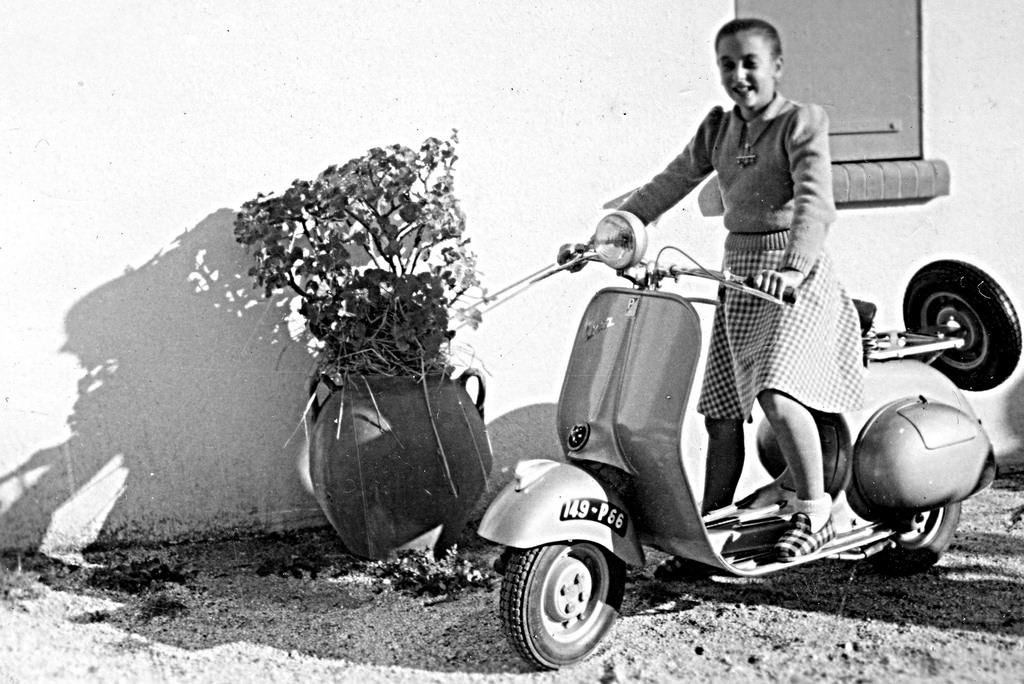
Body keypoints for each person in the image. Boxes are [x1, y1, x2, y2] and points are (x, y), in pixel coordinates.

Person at [586, 17, 864, 565]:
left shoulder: (800, 124)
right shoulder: (718, 129)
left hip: (793, 279)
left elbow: (814, 205)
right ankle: (710, 528)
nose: (739, 75)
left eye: (750, 64)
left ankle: (815, 511)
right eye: (728, 65)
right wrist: (608, 237)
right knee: (720, 411)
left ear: (776, 67)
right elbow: (669, 183)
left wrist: (791, 270)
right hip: (739, 275)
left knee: (776, 394)